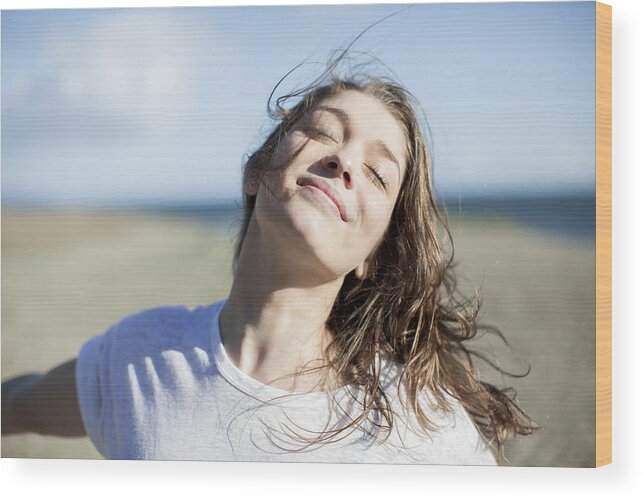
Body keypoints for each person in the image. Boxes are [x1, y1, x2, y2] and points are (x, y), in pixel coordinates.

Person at [2, 69, 536, 464]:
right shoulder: (138, 357)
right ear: (257, 171)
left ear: (372, 254)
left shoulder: (429, 428)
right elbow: (14, 404)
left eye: (377, 172)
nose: (344, 161)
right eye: (324, 132)